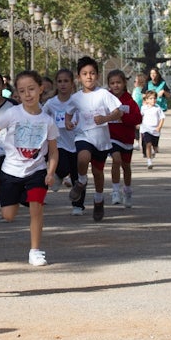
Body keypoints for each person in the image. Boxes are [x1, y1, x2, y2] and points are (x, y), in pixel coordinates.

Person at [0, 70, 58, 266]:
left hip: (36, 170)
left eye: (31, 89)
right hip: (11, 171)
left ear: (41, 89)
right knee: (8, 215)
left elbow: (54, 151)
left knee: (36, 209)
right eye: (22, 91)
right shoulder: (12, 113)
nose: (28, 94)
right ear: (17, 94)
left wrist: (50, 172)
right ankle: (22, 196)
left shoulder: (47, 121)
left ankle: (35, 251)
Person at [67, 56, 123, 221]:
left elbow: (118, 111)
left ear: (97, 76)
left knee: (98, 173)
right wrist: (68, 122)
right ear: (79, 77)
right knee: (83, 157)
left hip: (101, 139)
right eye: (84, 73)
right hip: (83, 135)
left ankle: (99, 200)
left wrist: (105, 118)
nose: (89, 76)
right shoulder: (76, 97)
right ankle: (81, 181)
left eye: (92, 73)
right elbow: (68, 113)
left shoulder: (104, 94)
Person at [43, 68, 82, 215]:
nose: (63, 84)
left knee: (77, 175)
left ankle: (78, 205)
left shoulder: (78, 100)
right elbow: (42, 116)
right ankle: (58, 175)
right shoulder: (51, 103)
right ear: (56, 84)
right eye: (60, 81)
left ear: (72, 83)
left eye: (66, 81)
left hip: (77, 141)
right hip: (59, 142)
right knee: (62, 164)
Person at [106, 69, 141, 209]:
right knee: (116, 160)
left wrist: (122, 116)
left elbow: (138, 119)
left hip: (126, 139)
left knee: (126, 166)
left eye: (118, 82)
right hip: (112, 138)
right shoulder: (106, 99)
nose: (115, 85)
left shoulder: (130, 102)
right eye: (112, 83)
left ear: (124, 83)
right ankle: (115, 191)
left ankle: (127, 190)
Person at [140, 90, 166, 168]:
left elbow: (162, 118)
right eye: (151, 98)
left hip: (155, 130)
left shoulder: (157, 108)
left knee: (155, 147)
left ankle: (154, 151)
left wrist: (159, 127)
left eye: (154, 98)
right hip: (146, 129)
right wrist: (138, 124)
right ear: (147, 100)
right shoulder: (143, 108)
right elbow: (140, 116)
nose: (153, 100)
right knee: (148, 144)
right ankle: (149, 161)